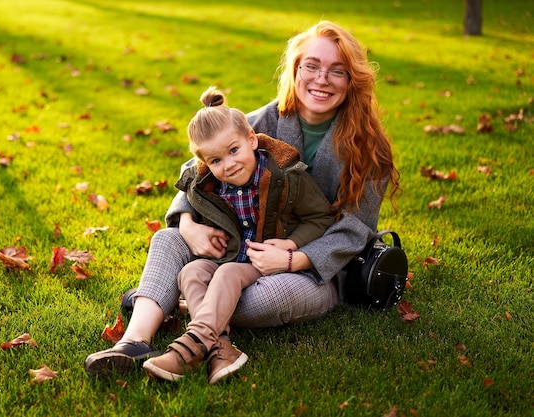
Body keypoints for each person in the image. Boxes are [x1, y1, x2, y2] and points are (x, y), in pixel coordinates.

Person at [84, 20, 400, 379]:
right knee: (167, 239)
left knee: (265, 300)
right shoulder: (266, 118)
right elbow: (201, 162)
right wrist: (189, 226)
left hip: (316, 269)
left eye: (337, 71)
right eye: (311, 66)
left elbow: (355, 228)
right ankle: (134, 341)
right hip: (239, 248)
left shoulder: (368, 147)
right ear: (296, 70)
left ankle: (179, 302)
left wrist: (294, 258)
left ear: (352, 79)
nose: (321, 79)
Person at [140, 86, 335, 384]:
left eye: (234, 151)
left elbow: (321, 217)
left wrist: (291, 243)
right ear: (206, 163)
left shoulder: (288, 177)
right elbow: (188, 182)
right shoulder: (209, 185)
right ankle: (222, 350)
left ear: (252, 139)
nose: (229, 164)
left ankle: (194, 342)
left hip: (267, 263)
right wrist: (191, 224)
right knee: (191, 272)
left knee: (229, 274)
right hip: (231, 257)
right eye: (216, 161)